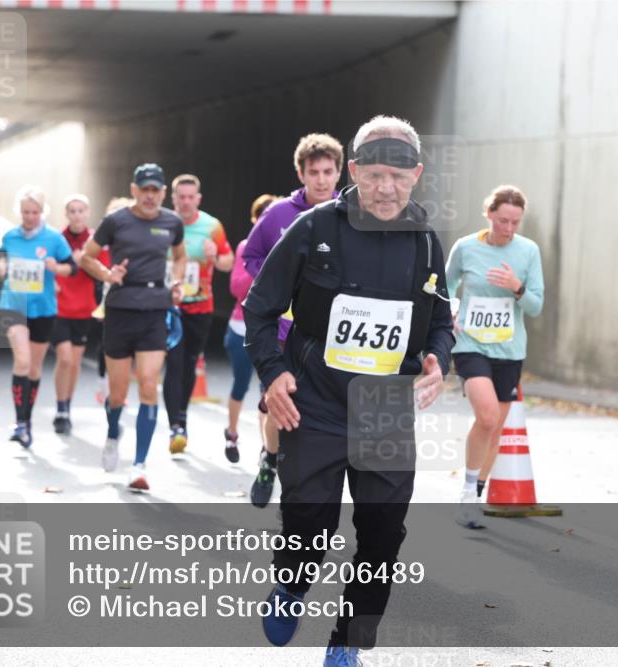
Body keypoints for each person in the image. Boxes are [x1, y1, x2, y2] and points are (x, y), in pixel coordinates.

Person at [243, 116, 454, 666]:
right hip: (314, 397)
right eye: (375, 175)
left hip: (385, 406)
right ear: (354, 170)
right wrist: (273, 372)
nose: (386, 188)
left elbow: (441, 321)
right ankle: (291, 585)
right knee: (308, 523)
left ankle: (349, 640)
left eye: (399, 176)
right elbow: (259, 309)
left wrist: (439, 360)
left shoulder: (427, 244)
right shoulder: (313, 229)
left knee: (383, 534)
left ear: (417, 175)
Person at [243, 132, 343, 508]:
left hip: (330, 335)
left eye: (328, 171)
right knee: (277, 404)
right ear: (300, 173)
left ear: (339, 173)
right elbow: (250, 257)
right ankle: (270, 458)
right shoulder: (278, 215)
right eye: (313, 171)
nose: (321, 179)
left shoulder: (349, 216)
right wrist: (277, 287)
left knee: (319, 413)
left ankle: (311, 488)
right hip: (285, 331)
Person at [81, 164, 185, 492]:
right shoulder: (116, 221)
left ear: (163, 193)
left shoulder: (172, 222)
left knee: (150, 385)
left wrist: (178, 281)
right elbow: (87, 257)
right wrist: (106, 274)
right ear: (135, 190)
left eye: (156, 190)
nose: (151, 196)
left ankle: (139, 465)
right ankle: (113, 433)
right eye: (145, 190)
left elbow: (180, 257)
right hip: (120, 310)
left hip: (155, 310)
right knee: (118, 392)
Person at [445, 185, 544, 529]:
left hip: (510, 348)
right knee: (486, 416)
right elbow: (446, 284)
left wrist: (517, 287)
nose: (509, 228)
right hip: (471, 344)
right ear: (489, 214)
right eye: (503, 220)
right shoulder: (466, 248)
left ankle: (478, 489)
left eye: (516, 222)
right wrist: (451, 311)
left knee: (496, 425)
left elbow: (536, 304)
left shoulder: (528, 251)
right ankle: (468, 491)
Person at [0, 186, 76, 448]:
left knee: (34, 367)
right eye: (26, 212)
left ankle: (27, 421)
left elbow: (71, 268)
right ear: (19, 211)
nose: (30, 217)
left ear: (43, 212)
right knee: (22, 359)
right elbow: (0, 264)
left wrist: (57, 267)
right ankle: (20, 423)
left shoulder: (54, 239)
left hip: (43, 308)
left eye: (35, 212)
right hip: (14, 305)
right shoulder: (9, 237)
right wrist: (0, 268)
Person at [161, 174, 233, 457]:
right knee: (174, 364)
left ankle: (182, 415)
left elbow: (229, 263)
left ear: (198, 199)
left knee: (189, 365)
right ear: (174, 199)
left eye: (191, 197)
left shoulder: (211, 226)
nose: (186, 202)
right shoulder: (163, 223)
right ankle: (175, 427)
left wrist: (215, 255)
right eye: (182, 197)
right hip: (169, 306)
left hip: (200, 306)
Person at [225, 193, 278, 468]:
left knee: (268, 392)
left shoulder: (288, 246)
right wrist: (259, 265)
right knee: (241, 384)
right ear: (256, 221)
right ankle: (231, 434)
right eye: (263, 217)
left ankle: (265, 449)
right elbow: (236, 288)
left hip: (273, 330)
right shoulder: (246, 247)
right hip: (241, 327)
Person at [51, 194, 110, 435]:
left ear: (87, 213)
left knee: (74, 362)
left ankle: (67, 406)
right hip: (59, 307)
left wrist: (84, 262)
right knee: (64, 358)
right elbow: (48, 266)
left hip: (84, 309)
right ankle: (60, 407)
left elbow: (104, 272)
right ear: (67, 214)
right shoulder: (57, 239)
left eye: (81, 210)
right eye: (72, 211)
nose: (76, 215)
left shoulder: (96, 240)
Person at [92, 196, 132, 405]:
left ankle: (117, 390)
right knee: (107, 342)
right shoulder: (103, 245)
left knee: (127, 344)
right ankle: (103, 385)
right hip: (106, 295)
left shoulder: (136, 243)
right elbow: (92, 267)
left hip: (131, 298)